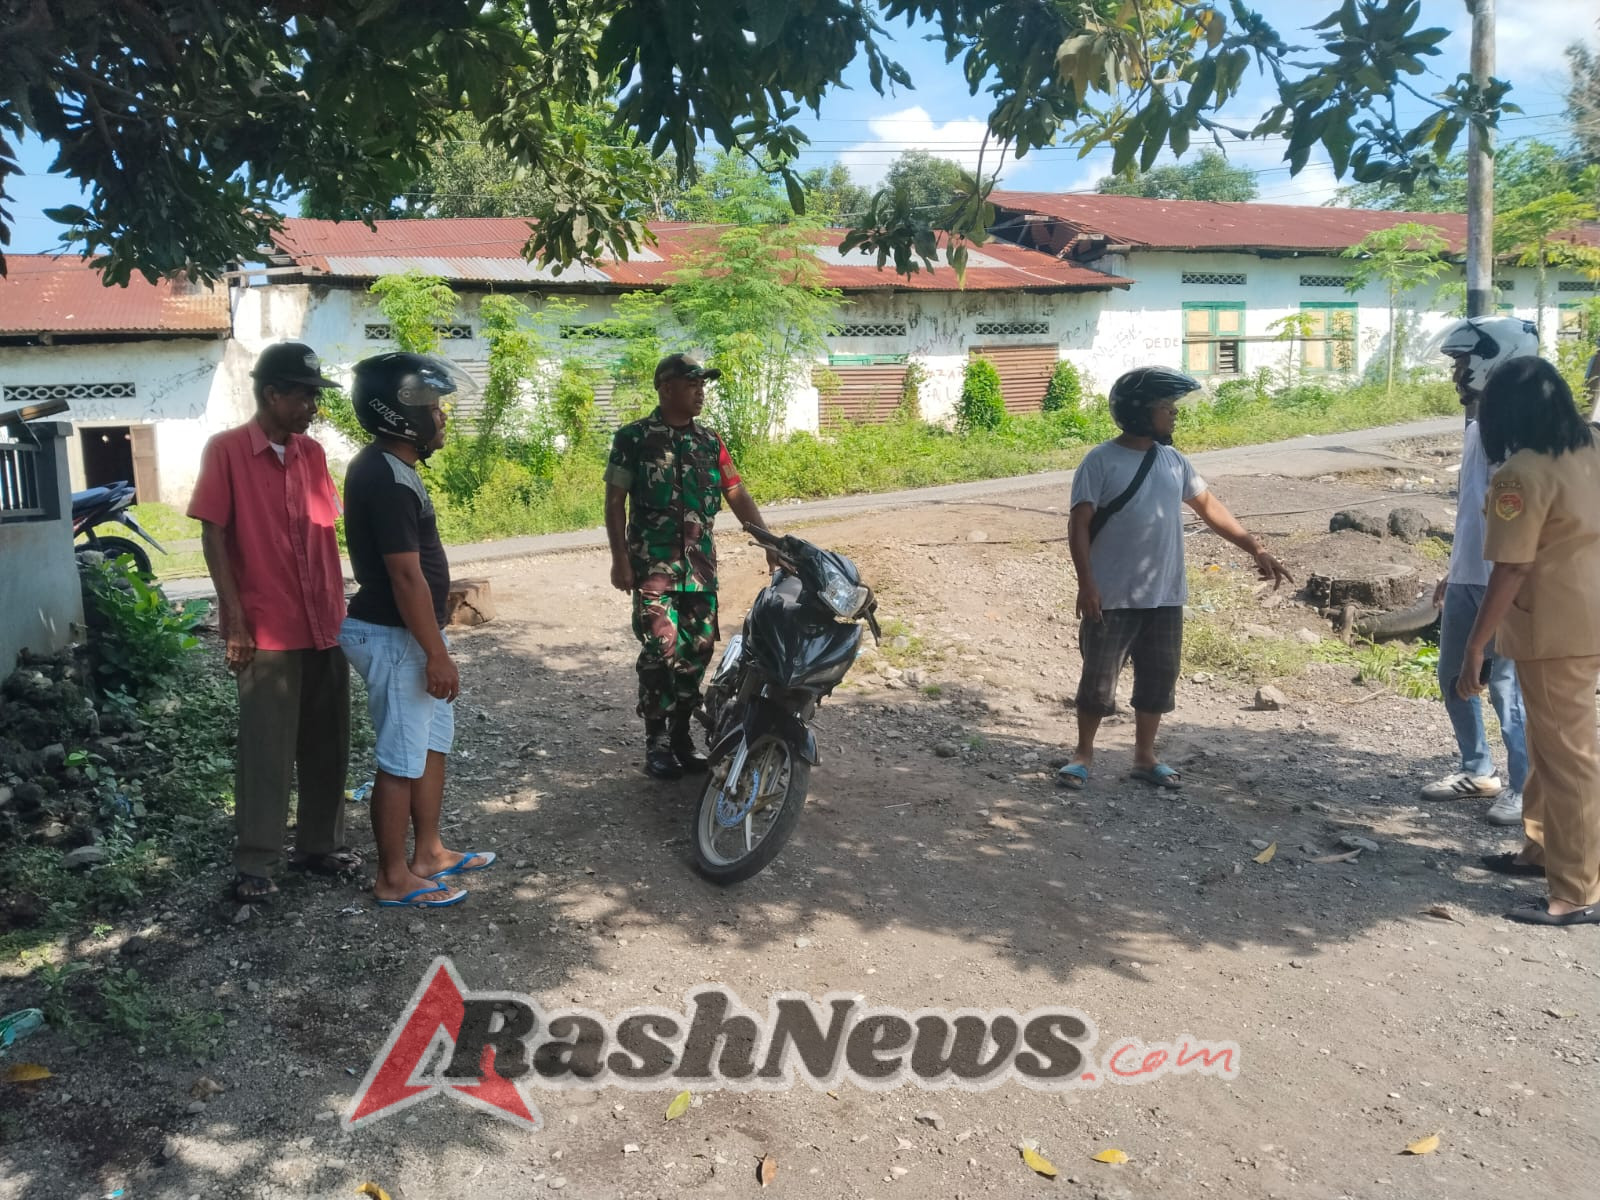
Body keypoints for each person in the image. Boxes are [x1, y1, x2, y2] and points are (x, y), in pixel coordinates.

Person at [1058, 367, 1292, 791]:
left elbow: (1211, 509)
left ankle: (1145, 758)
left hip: (1165, 595)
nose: (1174, 416)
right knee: (1098, 680)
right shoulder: (1100, 460)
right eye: (1166, 408)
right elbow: (1079, 524)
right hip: (1112, 594)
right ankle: (1083, 754)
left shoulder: (1174, 461)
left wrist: (1256, 548)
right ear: (1140, 413)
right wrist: (1086, 583)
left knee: (1158, 679)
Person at [188, 342, 356, 903]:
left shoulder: (311, 455)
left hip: (323, 623)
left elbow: (323, 536)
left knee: (328, 741)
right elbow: (213, 535)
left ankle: (318, 846)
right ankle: (256, 863)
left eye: (315, 395)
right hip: (268, 627)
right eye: (305, 394)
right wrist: (233, 621)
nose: (313, 405)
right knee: (267, 748)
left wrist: (342, 613)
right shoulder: (228, 451)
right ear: (272, 394)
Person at [339, 352, 493, 908]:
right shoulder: (383, 476)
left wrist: (435, 644)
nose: (442, 417)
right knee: (400, 758)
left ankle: (428, 852)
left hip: (411, 636)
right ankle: (392, 877)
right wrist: (437, 653)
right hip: (393, 635)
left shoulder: (395, 469)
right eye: (433, 407)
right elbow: (405, 577)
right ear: (398, 414)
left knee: (429, 745)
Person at [1458, 356, 1600, 926]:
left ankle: (1578, 889)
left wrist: (1475, 645)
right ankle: (1541, 849)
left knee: (1569, 759)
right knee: (1549, 747)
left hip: (1552, 630)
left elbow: (1511, 569)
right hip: (1585, 616)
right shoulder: (1589, 447)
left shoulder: (1521, 472)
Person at [605, 353, 777, 780]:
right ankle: (657, 741)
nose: (701, 391)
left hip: (699, 570)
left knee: (697, 653)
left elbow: (736, 493)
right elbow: (614, 503)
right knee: (661, 651)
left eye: (703, 384)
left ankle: (682, 735)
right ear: (665, 388)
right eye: (691, 383)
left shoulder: (710, 441)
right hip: (653, 567)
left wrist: (768, 541)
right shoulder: (634, 438)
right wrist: (619, 560)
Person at [1421, 316, 1536, 824]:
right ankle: (1479, 769)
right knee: (1453, 676)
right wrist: (1453, 568)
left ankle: (1527, 785)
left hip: (1508, 580)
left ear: (1493, 359)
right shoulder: (1476, 430)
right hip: (1470, 574)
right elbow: (1472, 510)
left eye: (1463, 362)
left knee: (1507, 687)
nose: (1457, 375)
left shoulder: (1525, 437)